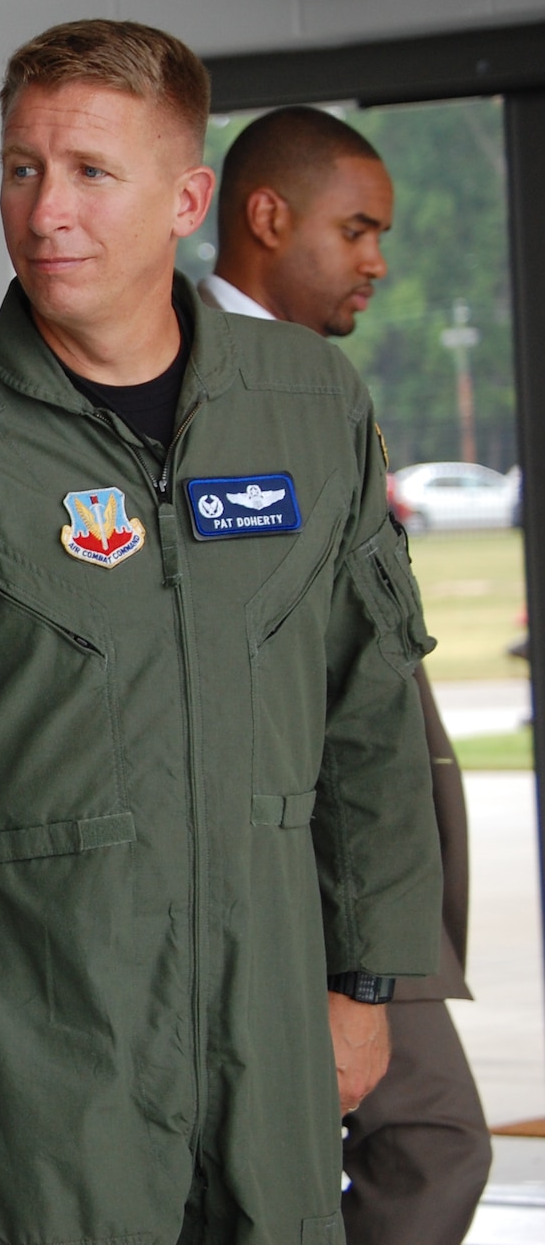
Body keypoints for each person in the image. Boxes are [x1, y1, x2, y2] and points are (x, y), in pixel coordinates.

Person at [0, 19, 444, 1244]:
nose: (43, 212)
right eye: (21, 168)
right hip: (31, 1046)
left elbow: (367, 715)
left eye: (89, 172)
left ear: (187, 196)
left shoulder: (306, 407)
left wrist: (367, 977)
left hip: (268, 1025)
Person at [202, 104, 492, 1245]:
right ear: (266, 217)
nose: (376, 260)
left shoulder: (318, 391)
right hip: (290, 852)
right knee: (428, 1137)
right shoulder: (192, 381)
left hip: (357, 851)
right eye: (356, 228)